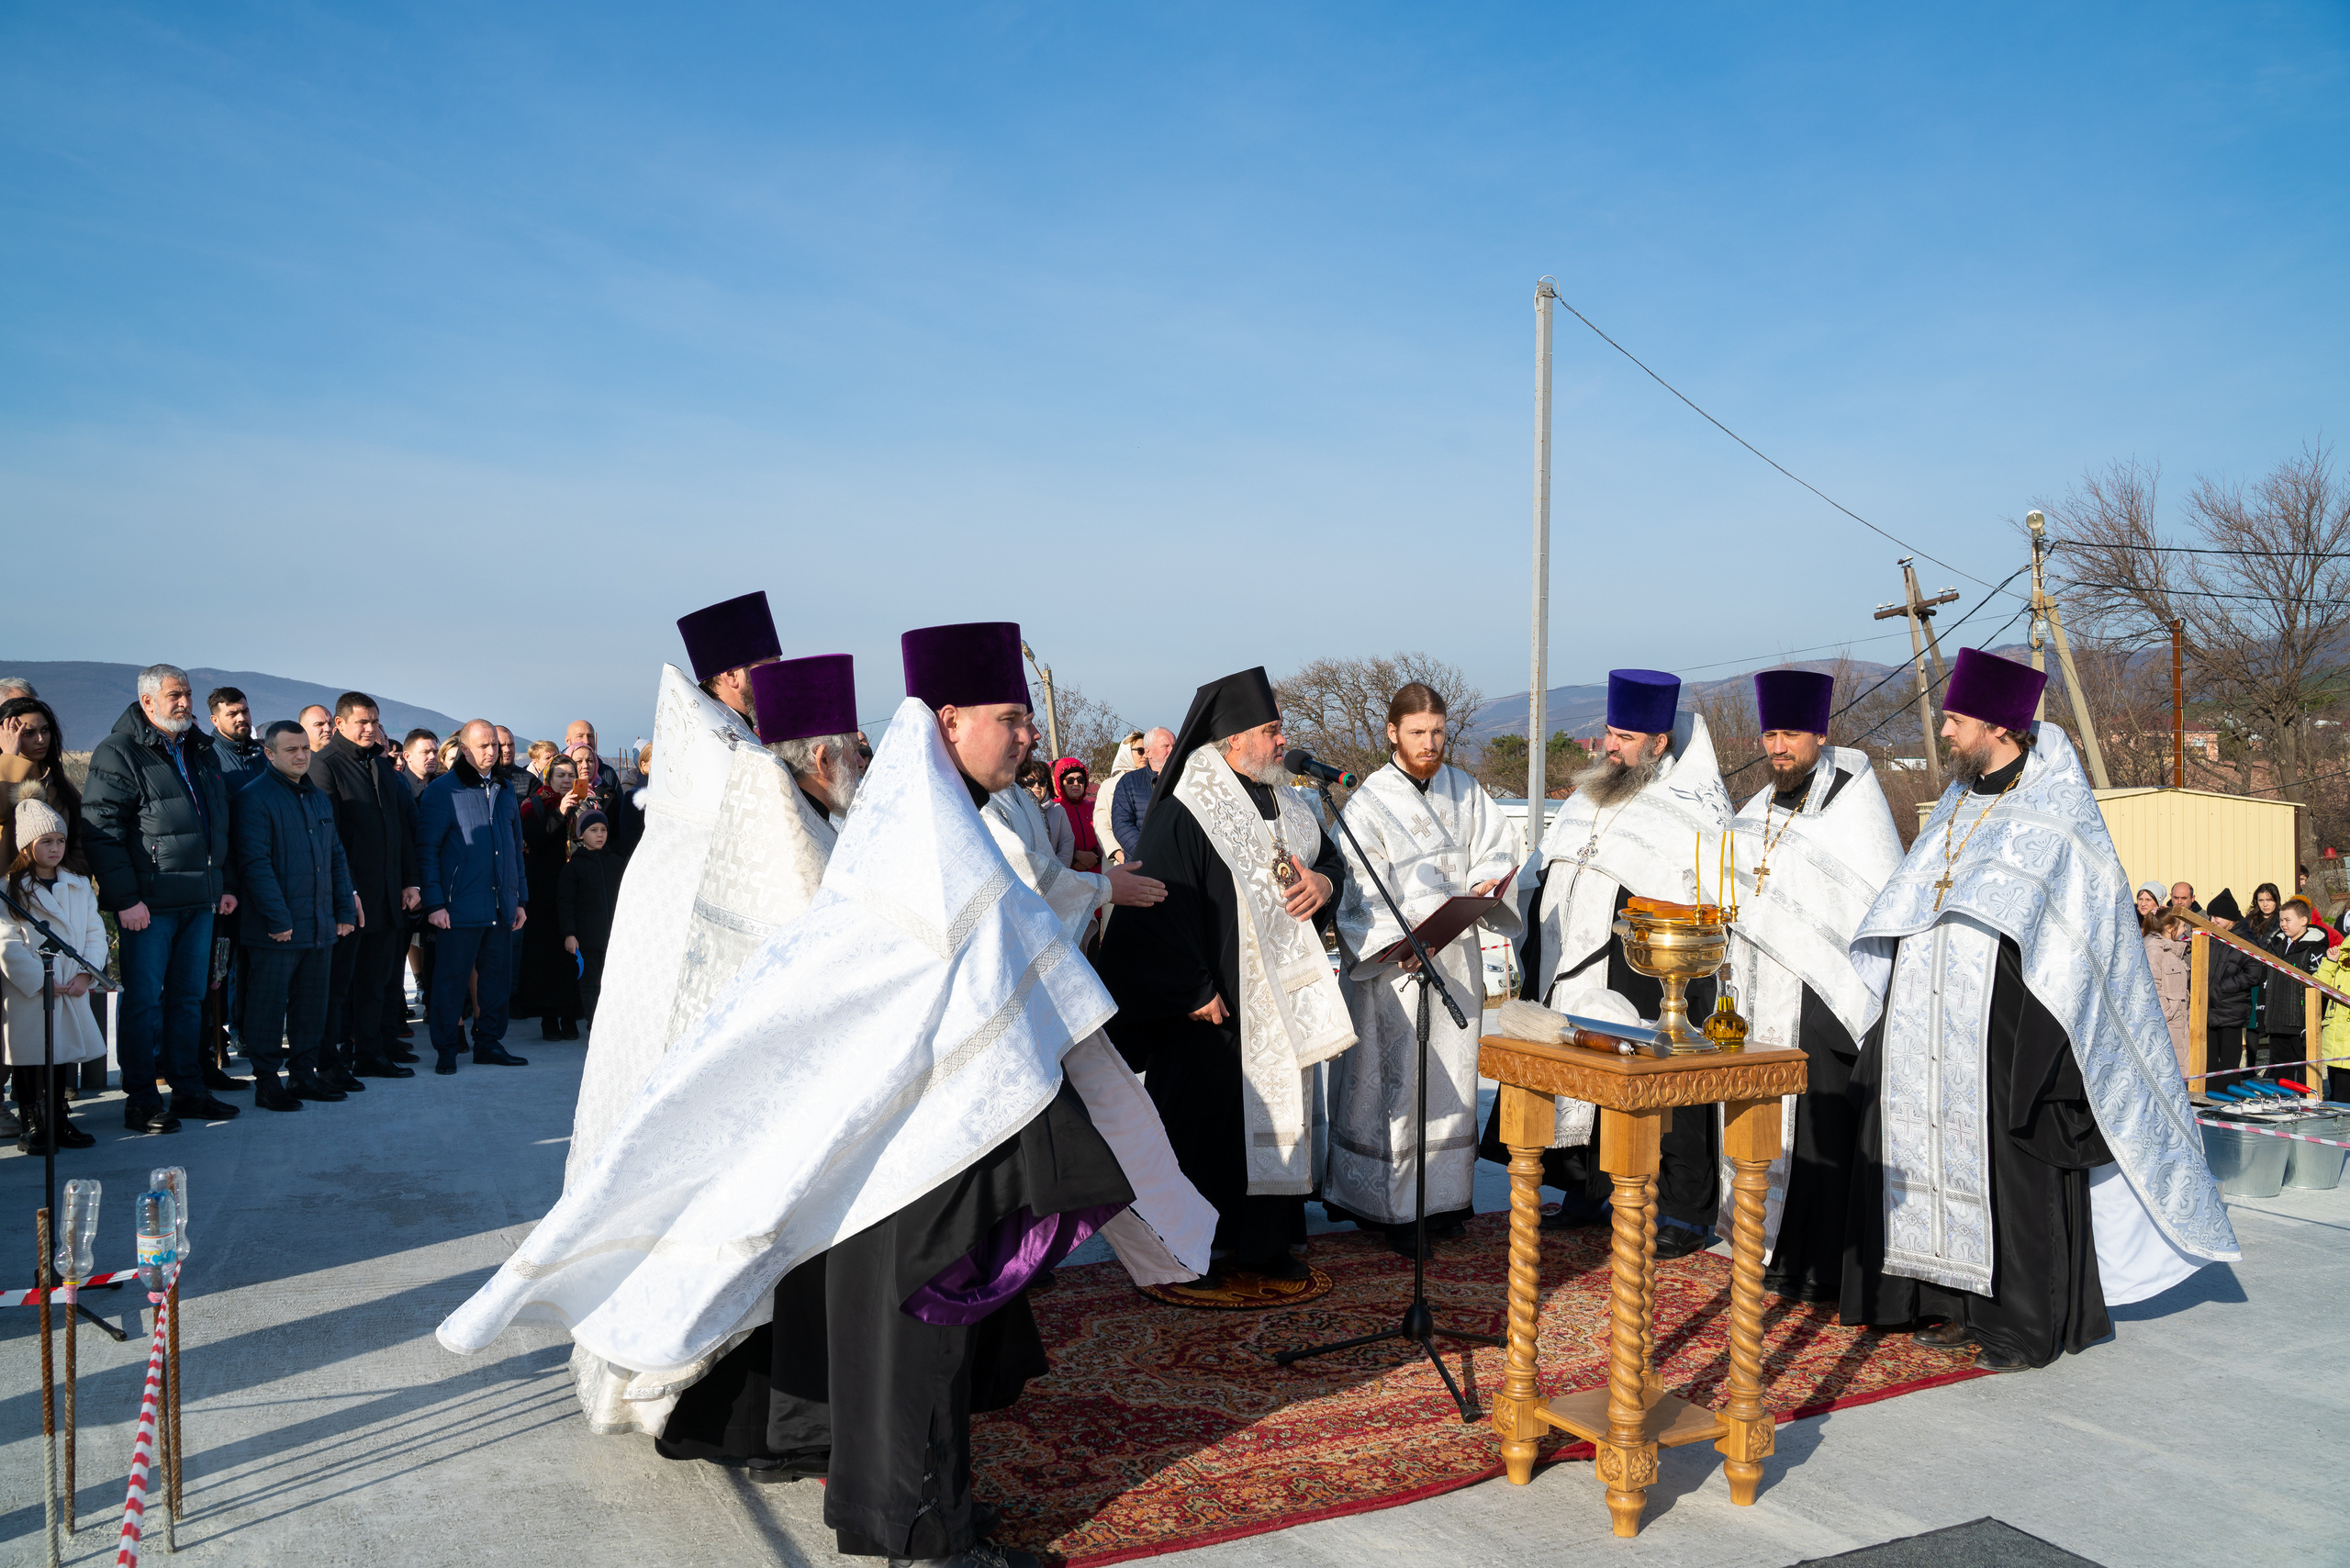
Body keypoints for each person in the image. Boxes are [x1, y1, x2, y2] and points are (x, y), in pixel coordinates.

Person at [442, 627, 1208, 1568]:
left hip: (928, 1132)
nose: (1027, 738)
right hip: (911, 1140)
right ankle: (924, 1542)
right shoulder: (922, 829)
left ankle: (937, 1518)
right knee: (915, 1349)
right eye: (1010, 719)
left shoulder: (935, 811)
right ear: (952, 720)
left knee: (932, 1343)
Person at [1841, 648, 2238, 1373]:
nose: (1945, 733)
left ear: (1998, 725)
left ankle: (2022, 1325)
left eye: (1955, 720)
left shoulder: (2058, 813)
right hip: (1932, 1024)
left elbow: (2083, 939)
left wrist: (2040, 1036)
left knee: (2012, 1173)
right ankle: (1951, 1303)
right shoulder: (1957, 804)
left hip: (2012, 1027)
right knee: (1932, 1158)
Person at [618, 653, 866, 1466]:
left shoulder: (788, 807)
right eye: (855, 752)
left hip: (766, 1089)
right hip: (777, 1094)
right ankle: (760, 1430)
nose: (861, 768)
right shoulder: (785, 832)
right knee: (770, 1254)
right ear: (822, 756)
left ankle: (764, 1424)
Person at [1096, 666, 1348, 1285]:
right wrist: (1191, 988)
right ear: (1234, 738)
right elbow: (1156, 902)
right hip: (1210, 1008)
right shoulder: (1186, 807)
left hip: (1277, 1005)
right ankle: (1194, 1248)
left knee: (1277, 1122)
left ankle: (1265, 1244)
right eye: (1271, 730)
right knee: (1205, 1128)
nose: (1282, 741)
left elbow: (1330, 862)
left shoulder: (1291, 803)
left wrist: (1324, 883)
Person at [1501, 668, 1732, 1258]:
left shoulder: (1688, 806)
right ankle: (1586, 1191)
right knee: (1578, 1067)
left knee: (1663, 1083)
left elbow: (1705, 890)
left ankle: (1681, 1210)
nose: (1610, 746)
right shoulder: (1588, 795)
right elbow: (1545, 868)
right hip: (1570, 962)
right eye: (1609, 732)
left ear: (1658, 743)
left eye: (1625, 737)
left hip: (1645, 970)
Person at [563, 591, 779, 1187]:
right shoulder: (715, 741)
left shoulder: (738, 732)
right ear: (731, 675)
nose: (778, 676)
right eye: (767, 665)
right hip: (687, 928)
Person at [1716, 669, 1902, 1301]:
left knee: (1820, 1133)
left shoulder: (1854, 807)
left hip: (1824, 1000)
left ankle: (1821, 1265)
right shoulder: (1754, 811)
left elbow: (1874, 905)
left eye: (1791, 735)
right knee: (1766, 1124)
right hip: (1759, 996)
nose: (1778, 748)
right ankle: (1772, 1251)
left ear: (1820, 735)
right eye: (1770, 735)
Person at [1325, 681, 1519, 1257]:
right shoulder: (1368, 803)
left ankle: (1444, 1199)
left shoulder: (1466, 789)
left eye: (1437, 732)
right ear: (1393, 733)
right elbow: (1357, 892)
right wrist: (1402, 937)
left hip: (1455, 957)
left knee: (1453, 1077)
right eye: (1417, 733)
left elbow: (1499, 848)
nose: (1429, 743)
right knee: (1401, 1083)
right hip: (1397, 968)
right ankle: (1395, 1208)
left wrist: (1487, 883)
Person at [81, 663, 243, 1134]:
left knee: (189, 999)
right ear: (148, 701)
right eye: (175, 695)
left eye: (188, 693)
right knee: (144, 1002)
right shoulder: (119, 751)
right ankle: (142, 1100)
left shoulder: (199, 749)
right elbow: (102, 832)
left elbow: (219, 823)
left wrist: (224, 884)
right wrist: (125, 899)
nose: (185, 703)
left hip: (200, 899)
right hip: (148, 905)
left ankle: (189, 1089)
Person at [230, 720, 357, 1110]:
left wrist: (343, 909)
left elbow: (336, 857)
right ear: (269, 754)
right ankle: (268, 1082)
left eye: (305, 748)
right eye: (291, 750)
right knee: (268, 1007)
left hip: (319, 923)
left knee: (311, 1005)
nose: (302, 755)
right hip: (277, 929)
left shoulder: (317, 797)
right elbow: (255, 865)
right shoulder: (254, 798)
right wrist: (278, 919)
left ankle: (304, 1075)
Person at [310, 691, 421, 1082]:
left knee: (377, 982)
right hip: (349, 898)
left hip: (388, 895)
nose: (370, 728)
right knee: (339, 985)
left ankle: (371, 1053)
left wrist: (410, 881)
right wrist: (348, 893)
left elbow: (401, 829)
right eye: (362, 722)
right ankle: (331, 1060)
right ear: (339, 724)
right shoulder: (324, 766)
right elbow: (329, 841)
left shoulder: (381, 765)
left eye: (374, 721)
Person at [418, 720, 530, 1074]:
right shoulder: (442, 791)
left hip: (501, 904)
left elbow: (514, 849)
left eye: (495, 744)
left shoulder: (505, 789)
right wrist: (435, 904)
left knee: (496, 981)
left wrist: (520, 899)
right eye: (483, 746)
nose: (492, 751)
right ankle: (447, 1049)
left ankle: (489, 1043)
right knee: (451, 981)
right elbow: (427, 851)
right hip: (458, 906)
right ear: (464, 750)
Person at [2, 795, 107, 1153]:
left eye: (60, 840)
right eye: (46, 841)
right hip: (31, 987)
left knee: (61, 1053)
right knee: (30, 1055)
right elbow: (7, 942)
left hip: (69, 982)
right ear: (27, 846)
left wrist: (86, 974)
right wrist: (39, 980)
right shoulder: (10, 889)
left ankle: (59, 1118)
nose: (55, 848)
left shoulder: (78, 885)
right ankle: (32, 1123)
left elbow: (94, 933)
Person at [518, 755, 586, 1039]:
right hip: (544, 890)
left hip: (576, 889)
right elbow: (535, 840)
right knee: (545, 954)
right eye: (560, 775)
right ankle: (548, 1018)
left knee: (572, 952)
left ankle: (570, 1015)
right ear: (548, 778)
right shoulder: (533, 805)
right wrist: (559, 812)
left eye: (571, 775)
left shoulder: (585, 803)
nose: (567, 781)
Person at [0, 698, 87, 872]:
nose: (40, 739)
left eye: (45, 730)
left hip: (57, 886)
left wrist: (70, 876)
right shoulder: (4, 777)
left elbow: (81, 839)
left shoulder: (59, 783)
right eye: (28, 733)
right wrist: (9, 756)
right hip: (8, 885)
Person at [2259, 896, 2328, 1087]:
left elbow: (2318, 985)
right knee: (2282, 1071)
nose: (2283, 924)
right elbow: (2266, 979)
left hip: (2299, 1021)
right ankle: (2285, 1100)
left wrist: (2311, 1019)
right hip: (2277, 1019)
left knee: (2305, 1069)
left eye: (2288, 920)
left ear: (2303, 920)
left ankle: (2309, 1100)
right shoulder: (2276, 945)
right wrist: (2264, 1015)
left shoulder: (2315, 948)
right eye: (2281, 920)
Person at [558, 811, 619, 1025]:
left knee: (613, 983)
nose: (600, 834)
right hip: (588, 940)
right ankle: (595, 1027)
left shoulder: (617, 863)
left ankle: (611, 1028)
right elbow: (565, 903)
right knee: (591, 984)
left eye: (603, 830)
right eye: (593, 830)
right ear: (581, 834)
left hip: (616, 938)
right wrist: (570, 934)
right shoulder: (574, 867)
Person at [2200, 889, 2258, 1083]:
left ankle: (2229, 1091)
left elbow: (2253, 973)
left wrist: (2221, 987)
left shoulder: (2246, 940)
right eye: (2211, 916)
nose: (2213, 920)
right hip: (2210, 1005)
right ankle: (2210, 1091)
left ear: (2229, 917)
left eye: (2216, 916)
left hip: (2231, 1006)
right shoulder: (2212, 936)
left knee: (2229, 1058)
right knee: (2208, 1057)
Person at [1108, 726, 1173, 863]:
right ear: (1148, 752)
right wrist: (1148, 852)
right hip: (1143, 865)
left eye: (1174, 745)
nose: (1172, 750)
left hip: (1179, 864)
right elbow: (1121, 824)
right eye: (1166, 746)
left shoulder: (1187, 779)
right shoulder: (1129, 782)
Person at [2142, 909, 2192, 1079]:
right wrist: (2167, 1013)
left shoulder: (2171, 950)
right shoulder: (2154, 949)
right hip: (2167, 1021)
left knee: (2179, 1068)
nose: (2185, 929)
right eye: (2183, 925)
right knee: (2165, 1071)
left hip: (2177, 1020)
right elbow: (2152, 984)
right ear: (2170, 928)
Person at [1094, 732, 1143, 864]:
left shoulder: (1156, 782)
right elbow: (1102, 826)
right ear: (1127, 752)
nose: (1144, 756)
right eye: (1140, 751)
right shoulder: (1108, 786)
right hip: (1118, 863)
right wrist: (1119, 855)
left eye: (1147, 751)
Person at [1016, 759, 1076, 867]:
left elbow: (1066, 843)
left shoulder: (1058, 810)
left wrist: (1059, 871)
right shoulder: (1016, 809)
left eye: (1042, 782)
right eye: (1030, 782)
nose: (1037, 786)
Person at [207, 688, 266, 788]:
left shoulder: (263, 753)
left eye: (245, 711)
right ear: (215, 720)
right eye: (232, 714)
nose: (241, 718)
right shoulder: (208, 757)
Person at [1052, 758, 1102, 872]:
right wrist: (1075, 857)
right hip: (1068, 874)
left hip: (1096, 873)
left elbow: (1108, 833)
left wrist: (1095, 857)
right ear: (1061, 783)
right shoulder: (1054, 808)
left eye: (1080, 780)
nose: (1076, 784)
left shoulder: (1094, 807)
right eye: (1070, 780)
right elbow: (1050, 842)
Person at [402, 729, 441, 793]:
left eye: (435, 752)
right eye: (425, 752)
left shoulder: (445, 785)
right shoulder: (396, 786)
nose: (433, 757)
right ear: (407, 756)